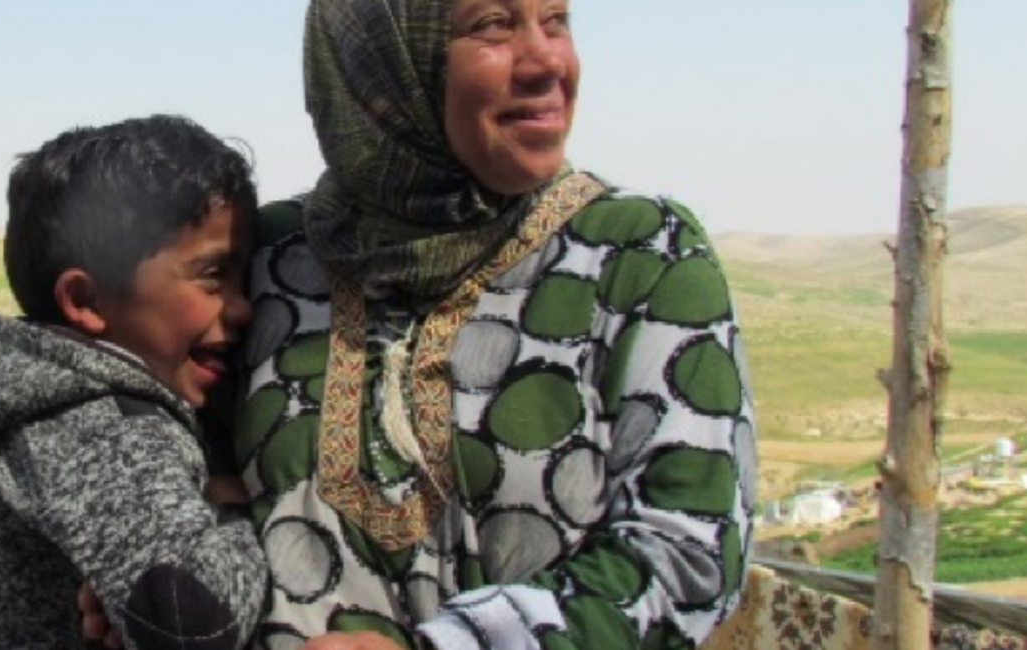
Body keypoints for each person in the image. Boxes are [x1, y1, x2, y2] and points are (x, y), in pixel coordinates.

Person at [232, 1, 757, 649]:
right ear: (381, 58)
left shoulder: (638, 256)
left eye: (557, 20)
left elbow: (690, 553)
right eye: (493, 25)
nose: (548, 62)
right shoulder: (264, 256)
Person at [0, 114, 269, 650]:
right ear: (86, 302)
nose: (242, 307)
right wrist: (246, 510)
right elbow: (195, 628)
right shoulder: (96, 423)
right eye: (214, 275)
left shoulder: (29, 388)